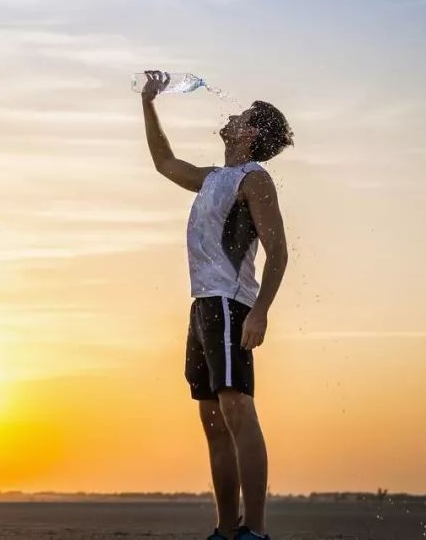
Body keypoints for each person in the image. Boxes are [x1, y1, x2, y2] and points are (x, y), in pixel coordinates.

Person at [140, 70, 293, 540]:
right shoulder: (212, 178)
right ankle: (227, 530)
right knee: (212, 421)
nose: (232, 114)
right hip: (202, 306)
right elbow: (165, 162)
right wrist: (149, 102)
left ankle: (256, 531)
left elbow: (279, 250)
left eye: (243, 115)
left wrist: (261, 311)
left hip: (231, 305)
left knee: (237, 411)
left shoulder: (254, 177)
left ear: (250, 135)